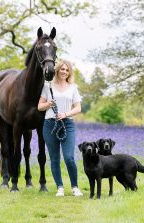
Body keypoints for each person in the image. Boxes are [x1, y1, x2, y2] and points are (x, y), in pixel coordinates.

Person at [38, 60, 83, 197]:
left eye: (67, 70)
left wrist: (65, 114)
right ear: (57, 70)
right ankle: (60, 187)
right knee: (54, 158)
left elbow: (78, 108)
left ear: (69, 72)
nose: (64, 72)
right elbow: (39, 107)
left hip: (67, 124)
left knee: (69, 157)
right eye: (62, 69)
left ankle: (75, 187)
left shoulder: (73, 87)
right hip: (50, 125)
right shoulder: (47, 86)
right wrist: (48, 104)